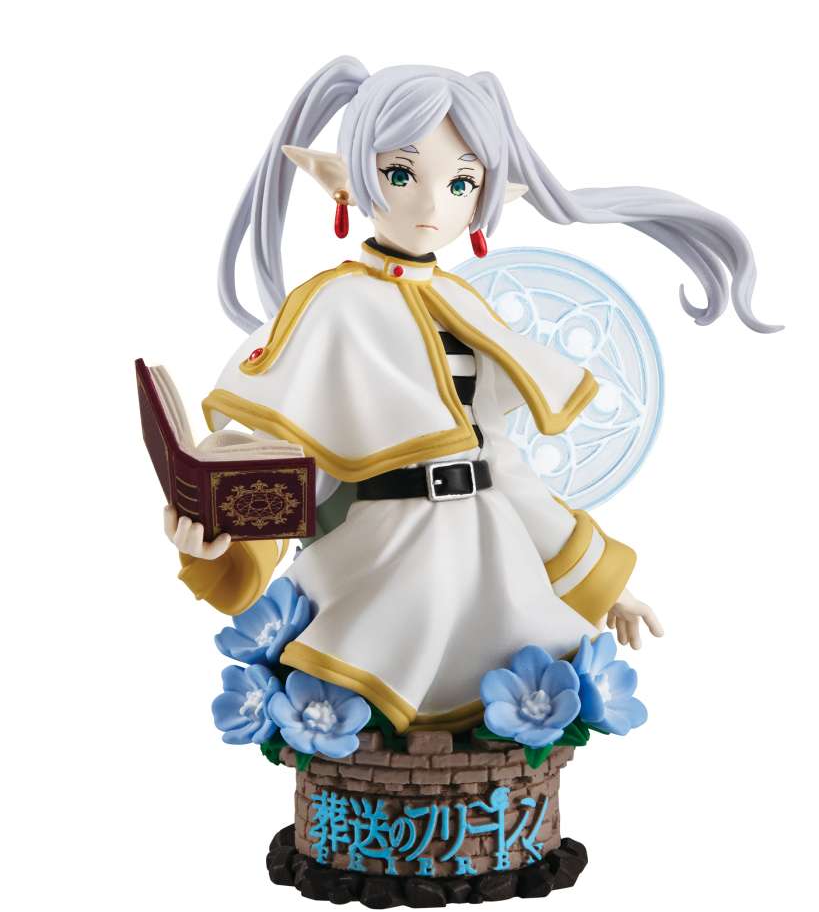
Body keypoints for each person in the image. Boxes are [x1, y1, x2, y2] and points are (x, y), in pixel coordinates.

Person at [165, 58, 774, 734]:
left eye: (460, 183)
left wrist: (608, 585)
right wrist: (224, 539)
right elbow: (300, 461)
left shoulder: (464, 307)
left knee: (521, 697)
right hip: (381, 559)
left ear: (486, 199)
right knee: (364, 710)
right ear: (346, 181)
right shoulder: (332, 307)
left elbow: (500, 465)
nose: (432, 206)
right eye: (401, 174)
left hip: (488, 556)